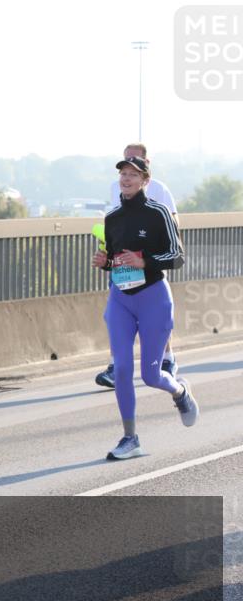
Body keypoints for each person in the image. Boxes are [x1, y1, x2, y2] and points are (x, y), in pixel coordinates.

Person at [92, 157, 199, 460]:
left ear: (145, 181)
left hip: (153, 297)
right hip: (120, 299)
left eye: (132, 174)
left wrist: (145, 261)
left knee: (152, 376)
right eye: (123, 174)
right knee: (122, 369)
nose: (126, 179)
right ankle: (130, 438)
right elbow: (115, 259)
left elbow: (177, 256)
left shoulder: (158, 213)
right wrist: (105, 263)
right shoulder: (112, 218)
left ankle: (179, 392)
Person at [96, 142, 180, 388]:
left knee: (153, 320)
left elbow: (174, 226)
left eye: (134, 164)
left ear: (146, 169)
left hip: (150, 266)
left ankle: (166, 358)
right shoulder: (115, 188)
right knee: (115, 317)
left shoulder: (160, 191)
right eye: (124, 166)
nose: (127, 174)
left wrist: (150, 258)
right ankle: (115, 366)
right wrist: (107, 259)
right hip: (122, 266)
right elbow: (114, 222)